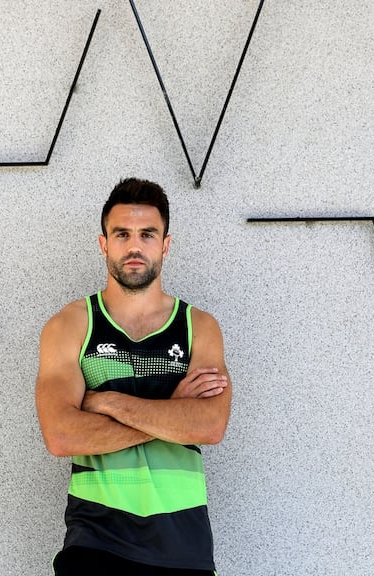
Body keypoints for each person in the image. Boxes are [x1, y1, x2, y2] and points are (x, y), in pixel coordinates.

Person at [36, 177, 232, 576]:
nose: (135, 246)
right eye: (122, 234)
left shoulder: (200, 327)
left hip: (183, 542)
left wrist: (106, 402)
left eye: (147, 234)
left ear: (165, 244)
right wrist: (174, 415)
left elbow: (210, 426)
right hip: (95, 541)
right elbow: (61, 436)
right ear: (104, 243)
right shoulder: (71, 325)